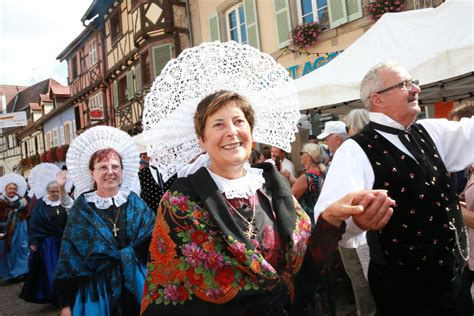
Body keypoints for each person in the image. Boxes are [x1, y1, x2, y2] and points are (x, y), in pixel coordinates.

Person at [139, 41, 394, 315]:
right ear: (201, 139)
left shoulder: (273, 186)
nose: (232, 132)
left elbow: (307, 263)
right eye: (217, 124)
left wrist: (333, 220)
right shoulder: (182, 201)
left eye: (239, 121)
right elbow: (209, 286)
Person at [315, 61, 474, 315]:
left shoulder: (430, 131)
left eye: (414, 83)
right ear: (377, 99)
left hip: (454, 283)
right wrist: (359, 222)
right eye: (404, 84)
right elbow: (329, 218)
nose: (415, 90)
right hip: (405, 293)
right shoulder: (355, 149)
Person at [54, 126, 156, 316]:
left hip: (137, 282)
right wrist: (66, 304)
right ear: (92, 173)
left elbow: (156, 239)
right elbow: (70, 256)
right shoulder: (83, 207)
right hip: (97, 291)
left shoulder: (134, 201)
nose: (110, 172)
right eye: (103, 167)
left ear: (122, 171)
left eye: (115, 166)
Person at [340, 107, 376, 316]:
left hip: (361, 227)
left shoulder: (354, 151)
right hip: (365, 227)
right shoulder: (373, 148)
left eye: (348, 128)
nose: (347, 132)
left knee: (362, 278)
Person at [20, 165, 73, 304]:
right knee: (51, 272)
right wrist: (33, 241)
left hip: (64, 242)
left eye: (57, 191)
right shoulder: (41, 205)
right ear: (47, 191)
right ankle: (54, 296)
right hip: (48, 244)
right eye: (52, 191)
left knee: (66, 271)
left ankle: (65, 296)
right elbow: (34, 224)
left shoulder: (65, 203)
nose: (55, 193)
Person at [282, 143, 326, 226]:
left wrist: (281, 182)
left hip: (305, 222)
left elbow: (290, 199)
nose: (300, 156)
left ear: (309, 158)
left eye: (302, 153)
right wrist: (290, 177)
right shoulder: (320, 173)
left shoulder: (305, 178)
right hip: (317, 219)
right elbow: (308, 188)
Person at [0, 173, 30, 282]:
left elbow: (26, 212)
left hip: (20, 228)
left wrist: (20, 212)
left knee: (22, 249)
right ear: (5, 189)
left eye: (14, 188)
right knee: (8, 251)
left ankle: (22, 272)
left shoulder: (22, 201)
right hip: (6, 230)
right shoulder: (2, 201)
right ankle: (9, 275)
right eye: (10, 188)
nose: (12, 190)